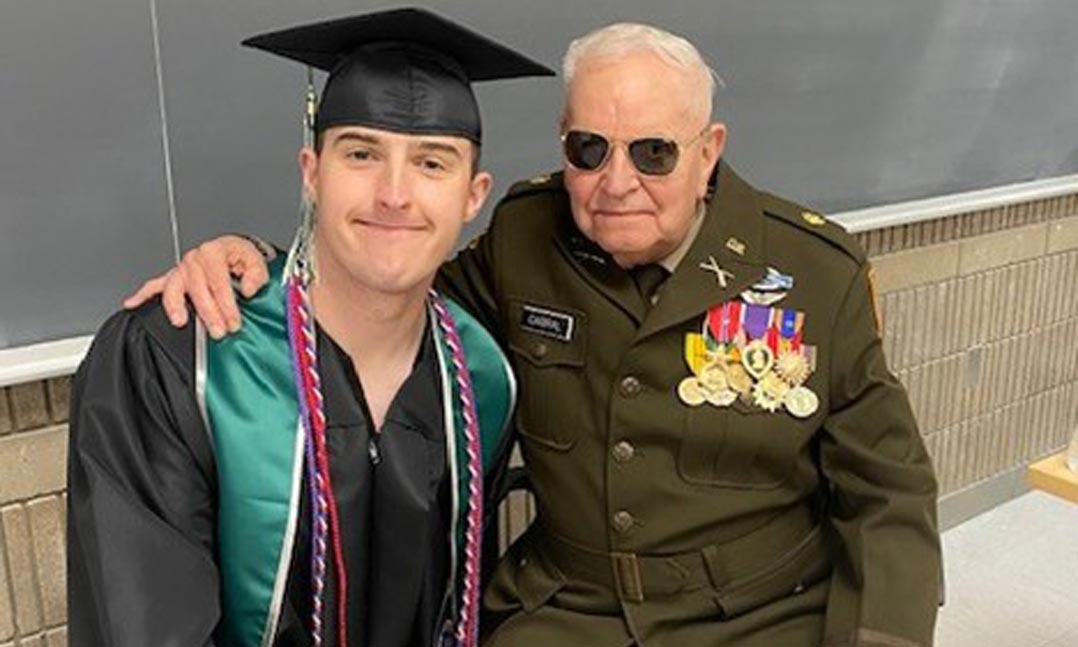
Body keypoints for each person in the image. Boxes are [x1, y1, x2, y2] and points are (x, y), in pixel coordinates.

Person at [128, 21, 942, 647]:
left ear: (708, 152)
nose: (616, 181)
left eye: (654, 153)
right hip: (571, 610)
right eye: (589, 149)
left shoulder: (812, 272)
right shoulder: (525, 237)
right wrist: (256, 262)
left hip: (760, 615)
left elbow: (889, 489)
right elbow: (388, 277)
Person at [67, 8, 555, 647]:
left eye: (432, 163)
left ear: (474, 195)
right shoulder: (181, 359)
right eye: (361, 153)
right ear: (312, 172)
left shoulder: (481, 380)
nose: (394, 194)